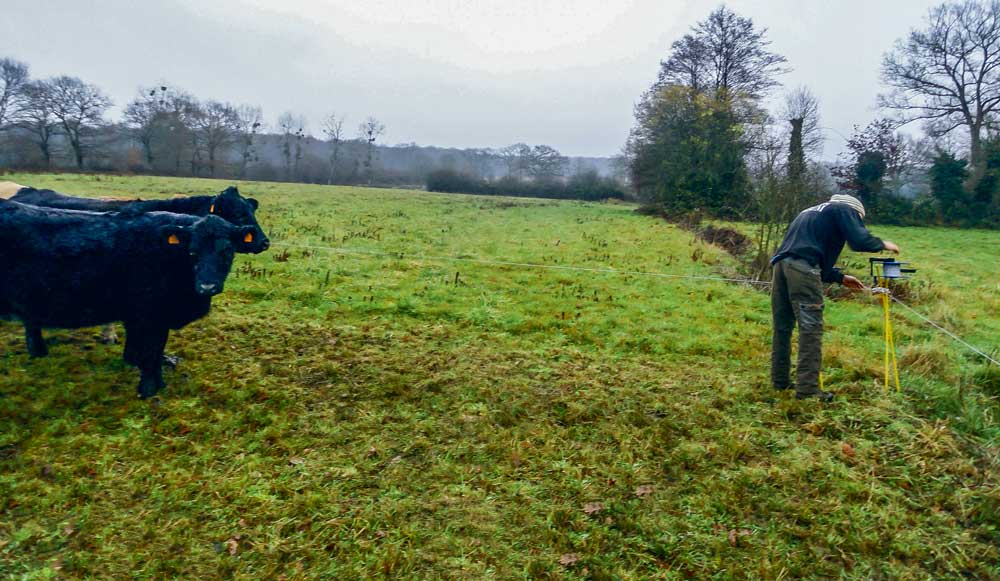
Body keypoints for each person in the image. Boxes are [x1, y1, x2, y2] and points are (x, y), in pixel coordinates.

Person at [770, 193, 900, 402]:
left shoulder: (810, 212)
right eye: (858, 219)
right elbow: (858, 241)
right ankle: (808, 390)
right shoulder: (843, 209)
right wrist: (882, 244)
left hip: (780, 267)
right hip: (802, 270)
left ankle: (780, 381)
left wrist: (840, 277)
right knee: (811, 329)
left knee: (783, 327)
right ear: (856, 213)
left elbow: (808, 252)